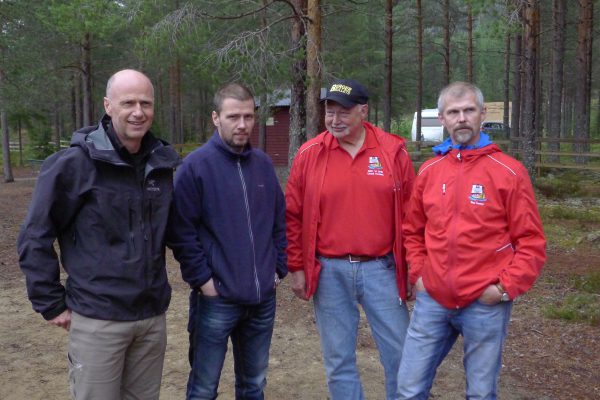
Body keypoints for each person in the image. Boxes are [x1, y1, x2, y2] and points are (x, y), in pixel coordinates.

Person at [17, 69, 179, 399]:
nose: (138, 111)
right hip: (97, 319)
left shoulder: (161, 165)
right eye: (128, 102)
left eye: (145, 103)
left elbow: (179, 232)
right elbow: (34, 235)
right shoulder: (73, 165)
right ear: (108, 105)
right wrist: (50, 303)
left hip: (150, 319)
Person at [396, 82, 546, 399]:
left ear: (482, 114)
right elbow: (413, 230)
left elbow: (531, 242)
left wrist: (503, 288)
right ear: (443, 118)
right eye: (454, 112)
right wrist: (419, 274)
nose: (461, 118)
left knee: (480, 393)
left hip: (484, 302)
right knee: (408, 388)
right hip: (433, 300)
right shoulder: (430, 170)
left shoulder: (509, 171)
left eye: (468, 110)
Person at [286, 79, 415, 400]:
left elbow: (414, 217)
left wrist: (413, 268)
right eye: (330, 111)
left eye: (344, 112)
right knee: (338, 360)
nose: (335, 120)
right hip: (328, 271)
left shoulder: (391, 151)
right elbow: (293, 215)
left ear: (363, 111)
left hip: (382, 269)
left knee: (401, 356)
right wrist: (297, 267)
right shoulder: (310, 153)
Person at [168, 83, 287, 400]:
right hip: (216, 299)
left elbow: (279, 220)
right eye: (234, 116)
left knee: (253, 385)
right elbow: (181, 232)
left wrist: (279, 268)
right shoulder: (195, 167)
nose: (243, 124)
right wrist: (204, 281)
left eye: (248, 116)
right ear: (216, 118)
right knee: (204, 387)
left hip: (262, 299)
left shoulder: (262, 164)